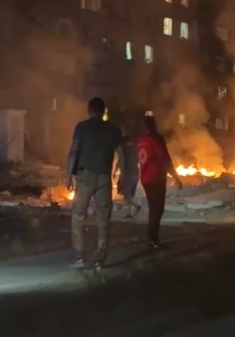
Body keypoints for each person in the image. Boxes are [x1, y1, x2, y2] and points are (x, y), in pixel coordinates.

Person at [65, 97, 125, 268]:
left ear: (89, 110)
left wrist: (68, 175)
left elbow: (74, 151)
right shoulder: (113, 129)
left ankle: (80, 256)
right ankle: (100, 255)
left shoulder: (82, 127)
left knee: (78, 215)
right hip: (104, 178)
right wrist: (121, 175)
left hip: (85, 177)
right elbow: (122, 154)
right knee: (103, 217)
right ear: (104, 111)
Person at [136, 115, 182, 249]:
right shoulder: (155, 139)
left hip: (145, 179)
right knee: (157, 210)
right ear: (153, 126)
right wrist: (176, 177)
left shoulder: (140, 141)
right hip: (156, 179)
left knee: (153, 209)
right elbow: (165, 159)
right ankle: (153, 240)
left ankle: (152, 238)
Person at [117, 133, 141, 217]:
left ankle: (136, 206)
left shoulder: (125, 150)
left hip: (129, 174)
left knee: (127, 195)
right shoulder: (135, 150)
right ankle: (130, 213)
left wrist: (120, 176)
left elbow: (122, 162)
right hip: (136, 174)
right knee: (130, 195)